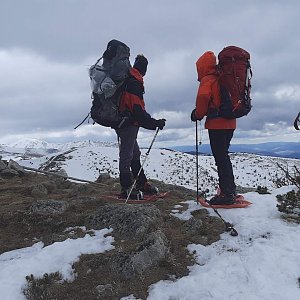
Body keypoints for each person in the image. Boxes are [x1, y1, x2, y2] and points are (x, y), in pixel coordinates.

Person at [116, 54, 166, 199]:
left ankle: (141, 183)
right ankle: (126, 189)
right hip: (127, 124)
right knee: (127, 155)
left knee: (134, 154)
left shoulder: (130, 80)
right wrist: (154, 123)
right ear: (144, 69)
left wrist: (153, 122)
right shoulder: (134, 83)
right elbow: (137, 111)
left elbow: (137, 110)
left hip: (125, 122)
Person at [191, 51, 236, 205]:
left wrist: (197, 114)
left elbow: (203, 98)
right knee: (224, 156)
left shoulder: (208, 80)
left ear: (202, 67)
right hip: (230, 122)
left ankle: (226, 194)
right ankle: (229, 190)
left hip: (217, 124)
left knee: (220, 158)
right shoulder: (222, 77)